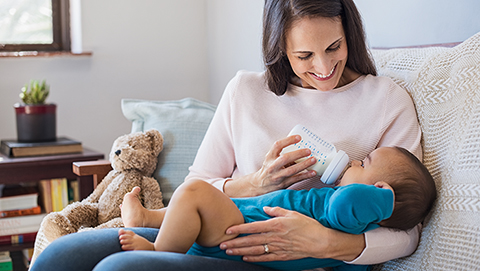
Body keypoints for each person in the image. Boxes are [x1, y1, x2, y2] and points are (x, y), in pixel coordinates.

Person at [30, 0, 424, 270]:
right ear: (280, 49)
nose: (323, 67)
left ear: (349, 35)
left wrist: (324, 243)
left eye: (334, 47)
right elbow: (197, 185)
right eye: (304, 56)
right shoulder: (245, 91)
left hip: (279, 260)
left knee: (121, 267)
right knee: (62, 256)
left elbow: (408, 226)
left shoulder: (386, 100)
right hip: (211, 227)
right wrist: (256, 182)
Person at [117, 146, 436, 271]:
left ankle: (158, 249)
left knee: (194, 194)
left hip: (243, 228)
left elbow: (353, 203)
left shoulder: (345, 213)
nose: (353, 161)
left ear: (379, 193)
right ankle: (149, 219)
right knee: (199, 201)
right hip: (242, 216)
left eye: (363, 163)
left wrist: (381, 199)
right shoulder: (343, 221)